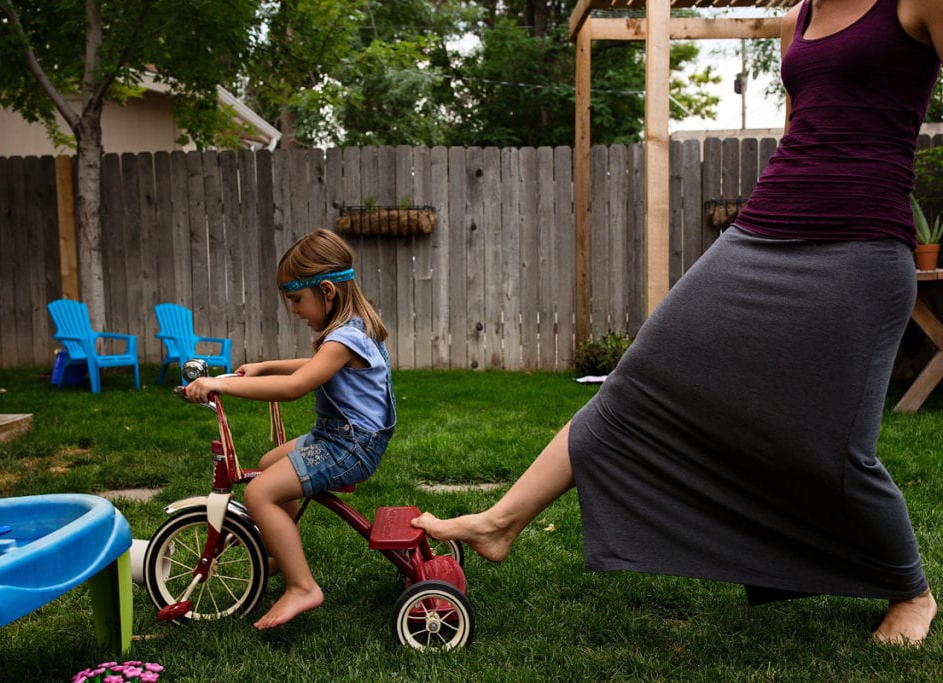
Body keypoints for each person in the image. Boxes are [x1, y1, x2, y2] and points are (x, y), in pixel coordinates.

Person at [413, 0, 942, 646]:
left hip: (862, 248)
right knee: (641, 376)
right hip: (764, 232)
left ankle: (911, 590)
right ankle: (502, 521)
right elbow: (801, 130)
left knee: (833, 446)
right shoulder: (795, 19)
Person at [185, 228, 395, 630]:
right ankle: (281, 554)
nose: (296, 310)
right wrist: (265, 366)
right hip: (342, 437)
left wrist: (222, 384)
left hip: (351, 446)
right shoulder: (349, 329)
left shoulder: (345, 336)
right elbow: (309, 365)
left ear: (328, 290)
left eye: (297, 299)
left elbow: (297, 386)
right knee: (268, 464)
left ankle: (302, 586)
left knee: (260, 490)